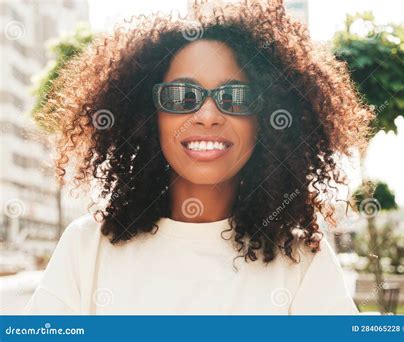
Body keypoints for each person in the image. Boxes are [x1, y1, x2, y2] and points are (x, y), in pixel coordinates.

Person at [24, 0, 373, 315]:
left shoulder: (302, 259)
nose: (208, 114)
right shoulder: (87, 248)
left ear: (265, 121)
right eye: (181, 96)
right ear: (149, 117)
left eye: (234, 96)